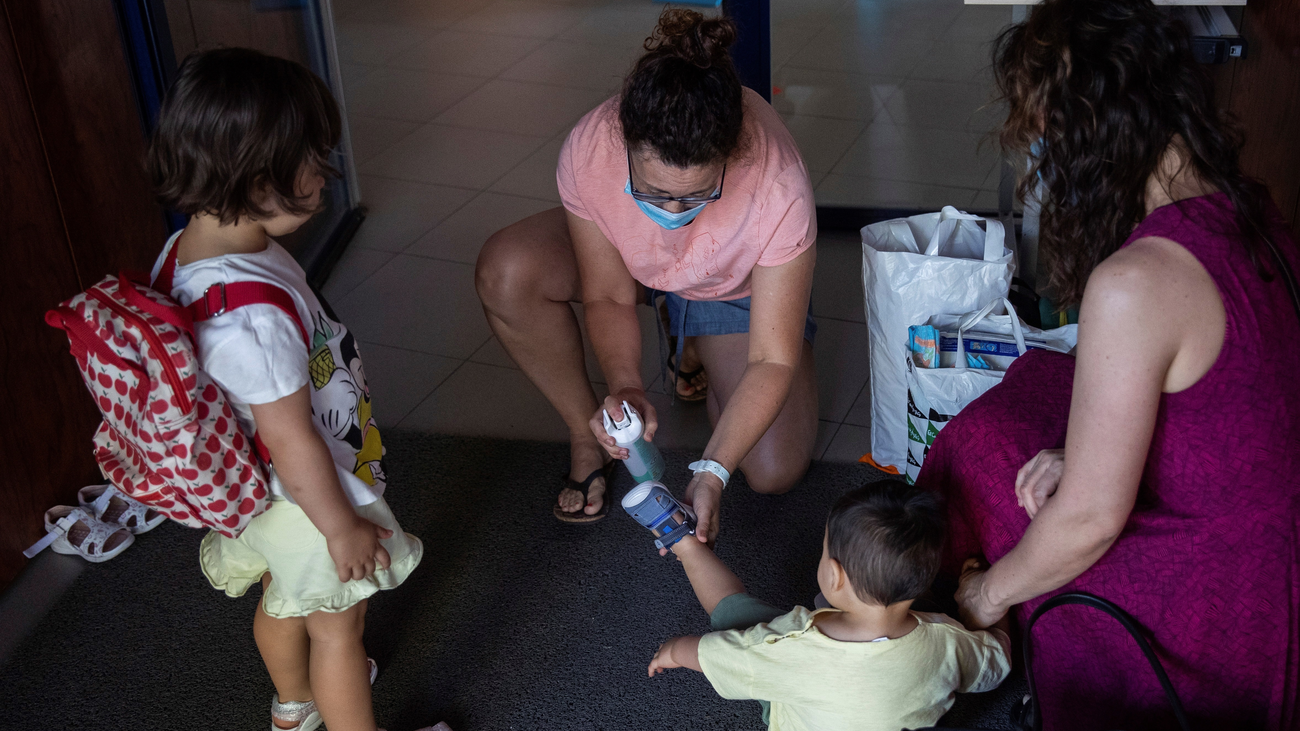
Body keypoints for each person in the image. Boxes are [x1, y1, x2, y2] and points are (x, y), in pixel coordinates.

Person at [917, 0, 1300, 727]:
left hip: (1215, 623)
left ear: (1089, 142)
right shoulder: (1251, 204)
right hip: (1273, 574)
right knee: (1036, 385)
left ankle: (952, 622)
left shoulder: (1136, 283)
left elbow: (1091, 521)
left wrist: (987, 594)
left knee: (980, 451)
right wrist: (1078, 452)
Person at [146, 48, 443, 731]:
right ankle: (337, 703)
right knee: (339, 624)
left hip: (254, 493)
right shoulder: (248, 318)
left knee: (285, 597)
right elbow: (289, 435)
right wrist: (340, 526)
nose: (324, 172)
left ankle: (294, 706)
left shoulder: (192, 248)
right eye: (313, 158)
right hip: (304, 499)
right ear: (257, 180)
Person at [476, 9, 819, 539]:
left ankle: (705, 327)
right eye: (654, 194)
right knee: (507, 271)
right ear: (626, 144)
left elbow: (772, 359)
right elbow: (608, 295)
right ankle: (586, 432)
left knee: (774, 471)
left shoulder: (779, 184)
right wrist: (627, 385)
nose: (674, 210)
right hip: (630, 264)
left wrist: (712, 470)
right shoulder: (593, 146)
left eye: (697, 194)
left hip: (731, 285)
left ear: (731, 156)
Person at [647, 481, 1011, 730]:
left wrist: (677, 651)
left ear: (834, 575)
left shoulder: (789, 648)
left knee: (733, 613)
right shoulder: (946, 639)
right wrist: (996, 611)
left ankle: (685, 544)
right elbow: (997, 661)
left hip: (798, 693)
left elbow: (722, 654)